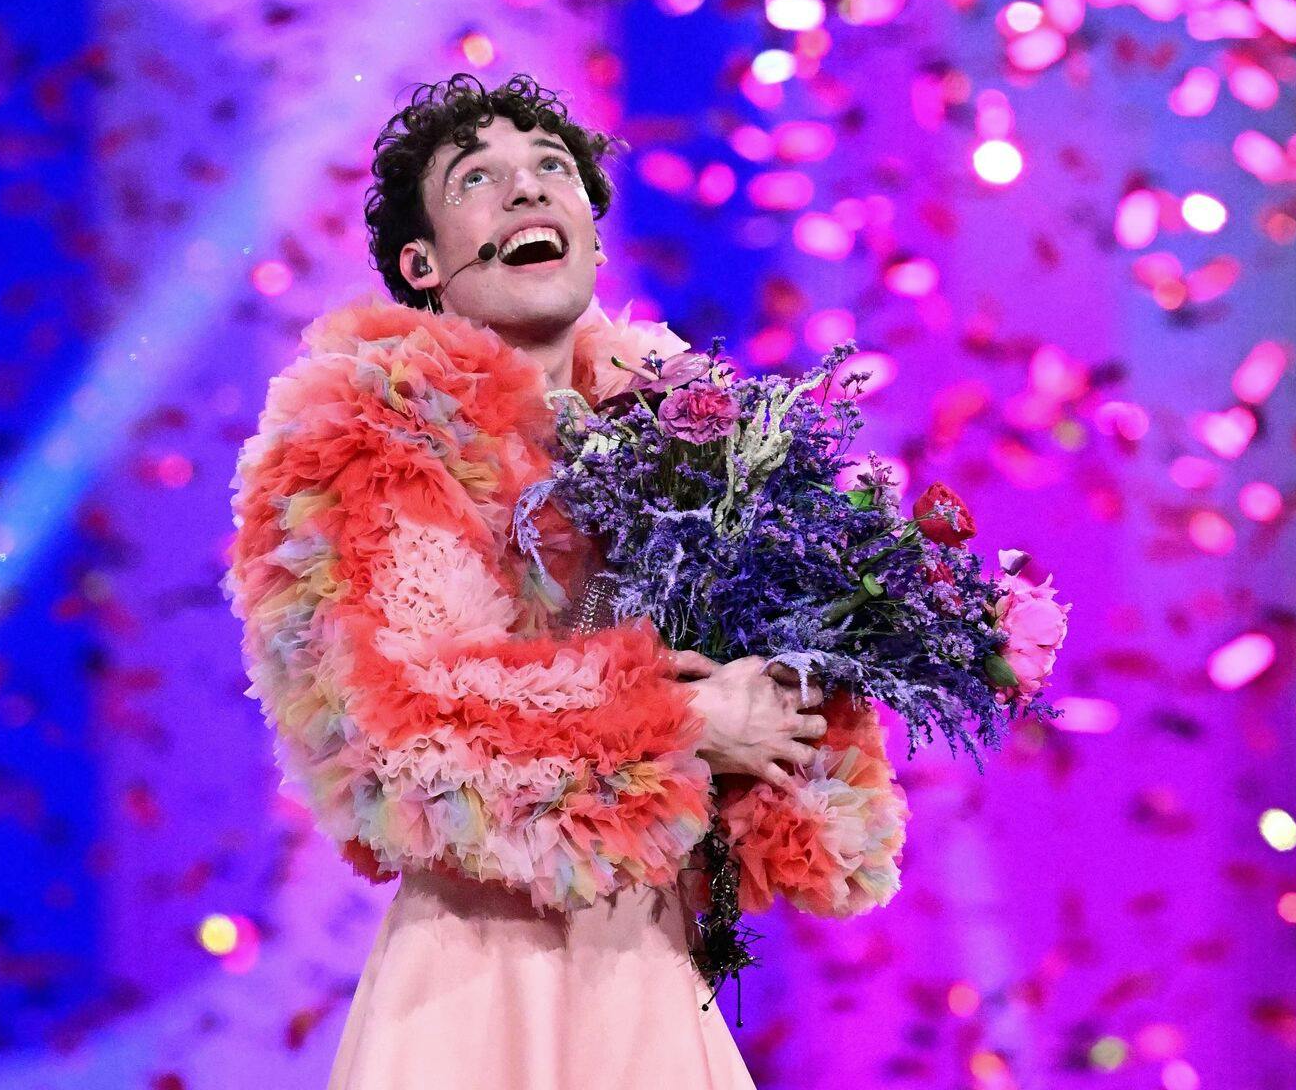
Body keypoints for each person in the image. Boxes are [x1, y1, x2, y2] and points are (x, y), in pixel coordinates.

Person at [224, 74, 909, 1089]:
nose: (526, 189)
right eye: (478, 179)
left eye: (551, 169)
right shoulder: (370, 435)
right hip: (485, 984)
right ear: (423, 266)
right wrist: (681, 722)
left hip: (653, 972)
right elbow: (400, 727)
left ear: (592, 237)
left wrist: (805, 683)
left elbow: (772, 748)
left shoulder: (693, 447)